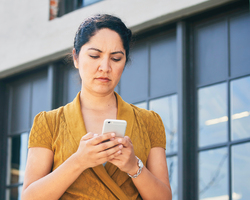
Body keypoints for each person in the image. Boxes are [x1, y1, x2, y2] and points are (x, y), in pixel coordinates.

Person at [21, 14, 172, 200]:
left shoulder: (149, 121)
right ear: (75, 58)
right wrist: (79, 161)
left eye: (116, 58)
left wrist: (134, 166)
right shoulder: (48, 122)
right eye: (94, 55)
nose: (105, 67)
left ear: (125, 63)